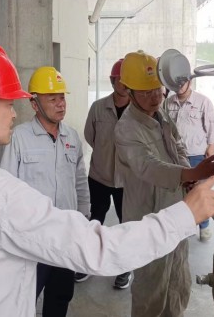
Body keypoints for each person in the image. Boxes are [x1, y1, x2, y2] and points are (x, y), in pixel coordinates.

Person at [0, 44, 214, 317]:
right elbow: (100, 249)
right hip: (42, 238)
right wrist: (187, 213)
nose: (14, 113)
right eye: (8, 103)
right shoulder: (1, 196)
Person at [114, 50, 214, 317]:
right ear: (129, 92)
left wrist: (190, 174)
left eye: (158, 90)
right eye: (146, 92)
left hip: (177, 211)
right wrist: (187, 174)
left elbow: (179, 146)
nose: (155, 96)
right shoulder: (126, 128)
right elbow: (149, 166)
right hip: (148, 220)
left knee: (178, 282)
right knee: (151, 288)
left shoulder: (161, 114)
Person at [0, 66, 90, 317]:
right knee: (24, 298)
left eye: (62, 97)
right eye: (52, 99)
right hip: (32, 238)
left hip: (66, 236)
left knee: (60, 296)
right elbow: (6, 186)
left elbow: (80, 182)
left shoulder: (71, 137)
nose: (61, 104)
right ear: (34, 103)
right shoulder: (19, 138)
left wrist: (83, 217)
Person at [76, 58, 132, 289]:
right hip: (99, 177)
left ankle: (125, 268)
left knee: (127, 223)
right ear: (112, 81)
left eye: (129, 80)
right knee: (94, 220)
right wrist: (105, 154)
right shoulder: (98, 107)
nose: (125, 84)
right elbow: (90, 135)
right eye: (120, 79)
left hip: (127, 180)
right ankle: (87, 264)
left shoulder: (139, 111)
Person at [164, 79, 214, 241]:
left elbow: (213, 126)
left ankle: (204, 226)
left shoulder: (202, 101)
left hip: (196, 155)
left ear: (189, 81)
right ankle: (185, 226)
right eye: (176, 83)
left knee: (199, 191)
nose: (179, 86)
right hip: (175, 156)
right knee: (179, 193)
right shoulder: (168, 103)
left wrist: (211, 147)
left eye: (182, 82)